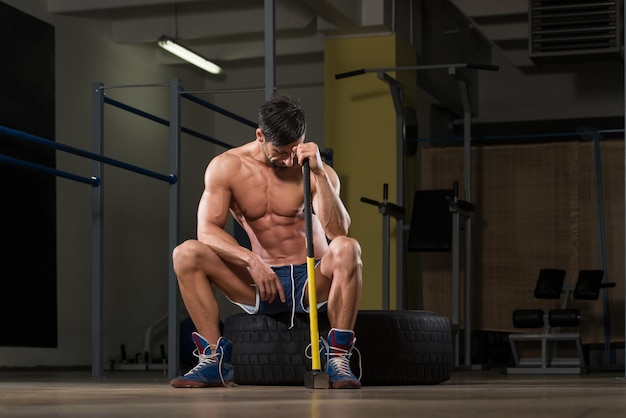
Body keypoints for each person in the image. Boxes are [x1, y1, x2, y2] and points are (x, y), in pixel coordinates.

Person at [170, 94, 363, 389]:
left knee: (349, 248)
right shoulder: (227, 167)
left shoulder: (314, 171)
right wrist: (250, 259)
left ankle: (337, 358)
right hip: (262, 280)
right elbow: (206, 230)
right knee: (186, 253)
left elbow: (338, 232)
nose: (288, 160)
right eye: (279, 151)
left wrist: (320, 173)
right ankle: (214, 360)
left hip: (313, 279)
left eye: (293, 149)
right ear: (260, 135)